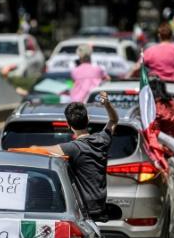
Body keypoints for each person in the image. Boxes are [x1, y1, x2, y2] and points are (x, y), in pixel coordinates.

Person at [33, 91, 118, 220]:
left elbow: (40, 151)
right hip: (100, 205)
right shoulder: (103, 140)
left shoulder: (72, 148)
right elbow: (113, 120)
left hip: (83, 210)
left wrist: (33, 148)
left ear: (69, 125)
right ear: (88, 119)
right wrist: (107, 104)